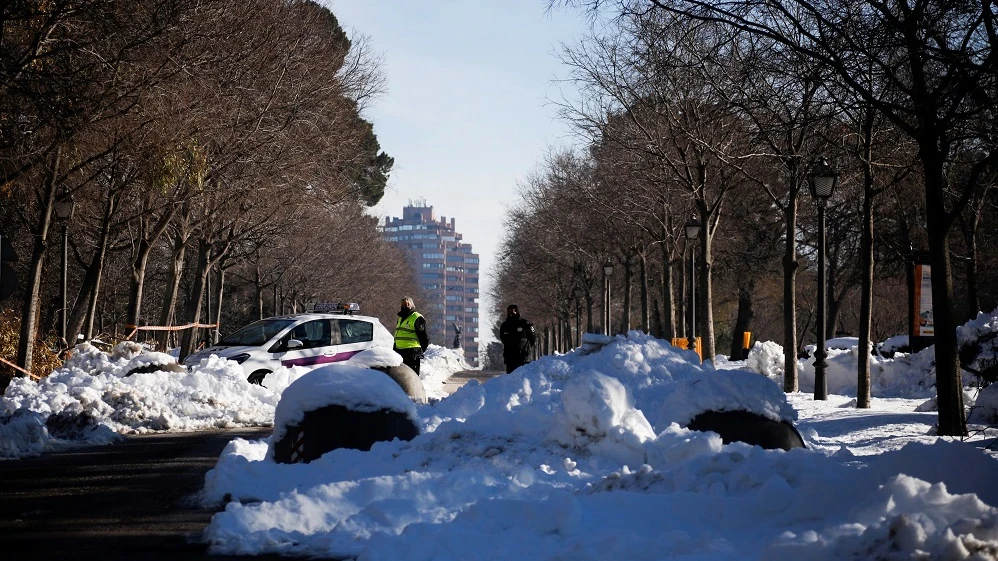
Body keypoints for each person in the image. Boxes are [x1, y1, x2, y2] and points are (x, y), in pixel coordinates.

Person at [394, 296, 429, 374]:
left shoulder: (417, 317)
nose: (404, 306)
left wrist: (419, 351)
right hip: (399, 352)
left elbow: (424, 338)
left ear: (411, 305)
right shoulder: (400, 318)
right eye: (402, 304)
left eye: (407, 304)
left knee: (412, 376)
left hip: (412, 352)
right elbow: (398, 335)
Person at [499, 304, 536, 374]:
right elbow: (503, 339)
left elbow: (532, 338)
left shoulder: (525, 324)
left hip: (524, 357)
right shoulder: (504, 326)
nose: (510, 315)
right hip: (510, 358)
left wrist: (525, 347)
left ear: (517, 312)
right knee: (511, 378)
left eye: (512, 312)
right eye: (508, 313)